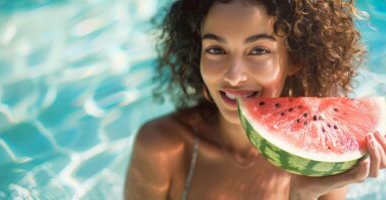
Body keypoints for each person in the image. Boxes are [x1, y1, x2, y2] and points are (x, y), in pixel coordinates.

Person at [125, 0, 386, 199]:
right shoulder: (162, 147)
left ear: (294, 58)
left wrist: (302, 196)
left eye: (258, 50)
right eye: (216, 50)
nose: (234, 76)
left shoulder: (323, 156)